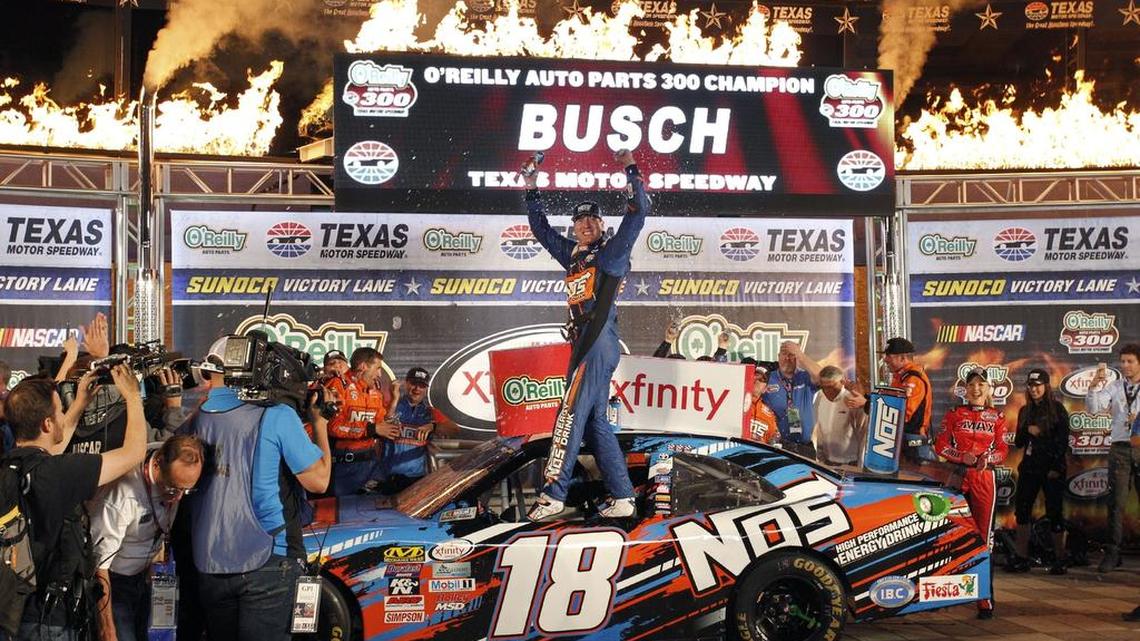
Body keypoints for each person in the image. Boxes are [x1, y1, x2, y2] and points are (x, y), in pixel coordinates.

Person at [523, 148, 649, 521]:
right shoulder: (573, 254)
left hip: (598, 341)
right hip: (584, 344)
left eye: (592, 219)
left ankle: (553, 494)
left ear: (601, 224)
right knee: (595, 425)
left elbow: (638, 213)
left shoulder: (611, 253)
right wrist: (531, 186)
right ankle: (623, 496)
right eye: (580, 220)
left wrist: (630, 168)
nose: (586, 224)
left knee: (569, 413)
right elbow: (541, 230)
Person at [184, 346, 331, 641]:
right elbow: (319, 481)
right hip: (268, 559)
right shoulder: (279, 416)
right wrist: (320, 425)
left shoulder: (201, 414)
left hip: (210, 560)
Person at [2, 365, 147, 641]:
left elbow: (51, 446)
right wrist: (132, 396)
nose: (63, 415)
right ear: (47, 424)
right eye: (60, 411)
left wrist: (79, 403)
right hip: (50, 620)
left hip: (12, 613)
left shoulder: (10, 467)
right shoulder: (58, 472)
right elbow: (134, 453)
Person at [89, 435, 204, 641]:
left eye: (185, 490)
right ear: (157, 464)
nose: (178, 497)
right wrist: (107, 629)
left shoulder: (173, 465)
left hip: (144, 575)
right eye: (173, 488)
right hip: (113, 581)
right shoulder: (123, 494)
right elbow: (99, 564)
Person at [934, 368, 1007, 620]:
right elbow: (940, 444)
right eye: (972, 384)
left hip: (984, 478)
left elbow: (1003, 450)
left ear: (988, 389)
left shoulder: (997, 416)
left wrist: (988, 458)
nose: (976, 389)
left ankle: (984, 599)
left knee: (984, 538)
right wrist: (959, 456)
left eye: (981, 385)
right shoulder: (955, 413)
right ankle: (943, 593)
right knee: (950, 533)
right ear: (965, 389)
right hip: (958, 474)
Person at [1005, 369, 1069, 575]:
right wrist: (1027, 430)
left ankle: (1060, 559)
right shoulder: (1025, 410)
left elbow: (1063, 441)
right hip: (1030, 467)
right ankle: (1021, 558)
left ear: (1046, 387)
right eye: (1031, 386)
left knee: (1054, 512)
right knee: (1022, 510)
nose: (1034, 389)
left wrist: (1055, 467)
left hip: (1051, 467)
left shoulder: (1057, 409)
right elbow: (1018, 442)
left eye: (1038, 386)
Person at [1087, 343, 1140, 573]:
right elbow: (1093, 409)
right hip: (1120, 449)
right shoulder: (1116, 386)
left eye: (1130, 361)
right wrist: (1093, 386)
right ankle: (1113, 553)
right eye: (1123, 361)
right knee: (1116, 503)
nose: (1125, 365)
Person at [324, 347, 398, 496]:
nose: (379, 374)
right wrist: (371, 429)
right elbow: (332, 426)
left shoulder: (375, 390)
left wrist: (394, 401)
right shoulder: (338, 385)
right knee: (346, 509)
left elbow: (381, 424)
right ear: (363, 367)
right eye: (377, 368)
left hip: (372, 464)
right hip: (345, 466)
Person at [380, 367, 456, 494]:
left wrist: (433, 426)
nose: (417, 389)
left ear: (426, 389)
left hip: (416, 479)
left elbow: (454, 429)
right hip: (388, 477)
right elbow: (381, 422)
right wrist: (394, 400)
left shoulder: (429, 412)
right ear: (406, 383)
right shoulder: (391, 405)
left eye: (422, 385)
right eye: (414, 383)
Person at [762, 341, 823, 458]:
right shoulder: (768, 378)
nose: (787, 358)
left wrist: (800, 354)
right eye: (784, 354)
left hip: (805, 447)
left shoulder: (805, 377)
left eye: (791, 355)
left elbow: (822, 377)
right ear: (778, 356)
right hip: (777, 446)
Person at [812, 366, 868, 467]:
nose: (827, 391)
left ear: (842, 382)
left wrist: (861, 466)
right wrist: (819, 459)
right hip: (827, 463)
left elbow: (864, 435)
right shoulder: (820, 396)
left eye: (831, 387)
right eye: (823, 387)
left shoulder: (854, 400)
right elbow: (820, 428)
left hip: (851, 464)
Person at [746, 362, 779, 445]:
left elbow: (773, 441)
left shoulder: (770, 415)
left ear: (765, 389)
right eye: (755, 376)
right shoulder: (735, 403)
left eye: (761, 380)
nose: (757, 381)